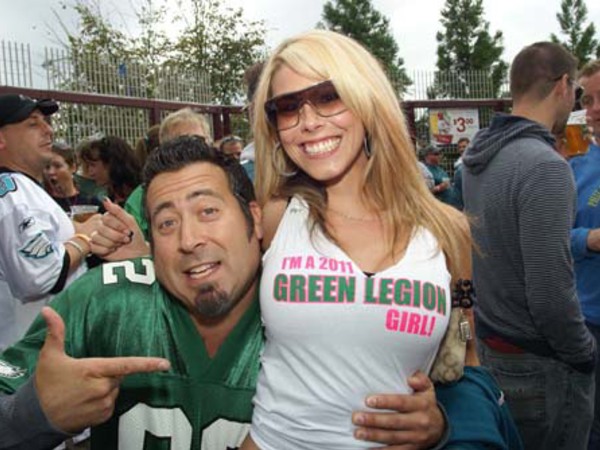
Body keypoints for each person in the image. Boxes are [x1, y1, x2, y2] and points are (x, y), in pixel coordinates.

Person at [1, 136, 464, 450]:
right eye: (166, 222)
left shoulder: (316, 319)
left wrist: (437, 425)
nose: (189, 239)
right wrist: (34, 413)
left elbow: (440, 389)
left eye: (208, 211)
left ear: (255, 219)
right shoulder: (103, 302)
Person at [242, 30, 477, 449]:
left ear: (367, 99)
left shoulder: (448, 231)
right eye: (288, 107)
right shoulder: (276, 217)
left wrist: (444, 423)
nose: (309, 122)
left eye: (328, 96)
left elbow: (467, 354)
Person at [462, 42, 596, 450]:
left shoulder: (480, 153)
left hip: (495, 344)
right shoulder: (544, 166)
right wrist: (584, 352)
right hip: (541, 362)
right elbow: (549, 295)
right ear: (563, 85)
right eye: (579, 94)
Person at [0, 94, 100, 351]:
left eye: (46, 121)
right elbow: (40, 275)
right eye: (33, 124)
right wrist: (85, 238)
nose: (48, 130)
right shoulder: (14, 193)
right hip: (28, 356)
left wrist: (77, 231)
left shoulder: (22, 189)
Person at [570, 59, 600, 449]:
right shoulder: (575, 168)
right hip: (591, 320)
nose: (594, 109)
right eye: (587, 100)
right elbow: (551, 239)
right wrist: (588, 240)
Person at [124, 107, 212, 239]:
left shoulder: (227, 182)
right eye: (182, 141)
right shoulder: (141, 197)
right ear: (165, 147)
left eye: (198, 140)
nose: (192, 147)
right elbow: (131, 243)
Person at [80, 135, 141, 206]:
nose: (90, 172)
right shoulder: (110, 196)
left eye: (93, 165)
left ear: (111, 164)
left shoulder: (140, 196)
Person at [43, 142, 102, 213]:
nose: (51, 172)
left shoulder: (91, 203)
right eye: (47, 167)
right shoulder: (41, 202)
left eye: (57, 166)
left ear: (73, 167)